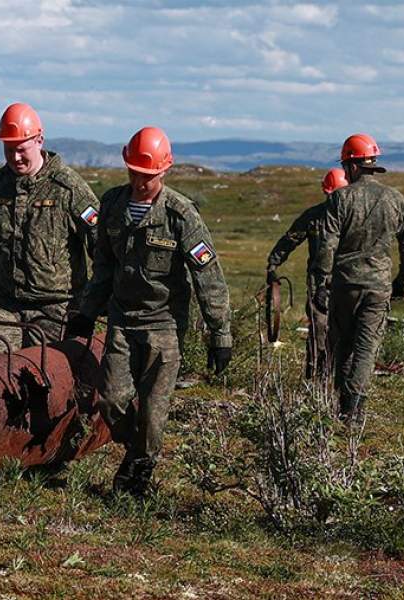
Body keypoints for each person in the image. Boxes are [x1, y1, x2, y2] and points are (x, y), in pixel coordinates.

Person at [65, 127, 233, 497]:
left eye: (148, 175)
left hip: (165, 325)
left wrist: (220, 335)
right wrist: (87, 312)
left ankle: (138, 474)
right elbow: (104, 267)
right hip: (123, 319)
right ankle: (136, 448)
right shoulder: (112, 205)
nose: (140, 181)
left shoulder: (180, 215)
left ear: (164, 170)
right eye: (134, 173)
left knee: (154, 411)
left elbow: (209, 276)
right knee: (110, 399)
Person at [0, 102, 98, 355]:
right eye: (8, 150)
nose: (15, 157)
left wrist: (94, 303)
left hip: (57, 305)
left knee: (50, 375)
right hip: (3, 302)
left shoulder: (68, 189)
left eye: (21, 149)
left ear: (39, 141)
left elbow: (102, 244)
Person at [315, 133, 404, 426]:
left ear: (350, 166)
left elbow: (327, 246)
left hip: (344, 285)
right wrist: (403, 281)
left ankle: (342, 406)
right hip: (378, 287)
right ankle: (354, 412)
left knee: (342, 346)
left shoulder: (340, 198)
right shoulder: (395, 200)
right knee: (366, 349)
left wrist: (322, 283)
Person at [266, 168, 349, 378]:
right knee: (318, 332)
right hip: (318, 286)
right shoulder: (313, 217)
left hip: (347, 284)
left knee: (345, 334)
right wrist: (273, 265)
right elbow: (290, 240)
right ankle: (314, 380)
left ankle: (339, 381)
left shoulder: (354, 218)